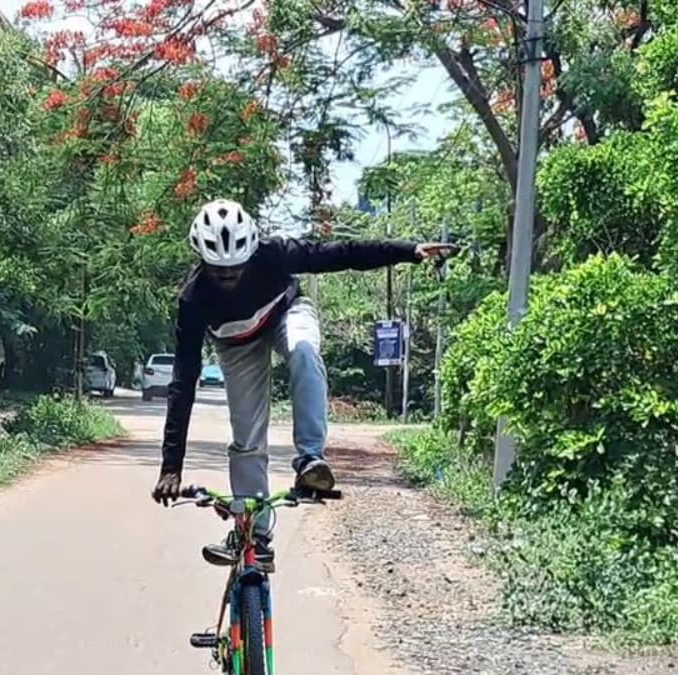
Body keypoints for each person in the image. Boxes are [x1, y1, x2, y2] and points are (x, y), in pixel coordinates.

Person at [150, 198, 456, 571]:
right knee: (246, 438)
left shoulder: (273, 254)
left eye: (237, 269)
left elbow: (341, 253)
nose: (228, 278)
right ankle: (254, 536)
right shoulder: (193, 299)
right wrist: (171, 467)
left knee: (305, 352)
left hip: (286, 313)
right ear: (203, 262)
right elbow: (183, 382)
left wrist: (408, 251)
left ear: (251, 252)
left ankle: (311, 459)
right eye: (219, 272)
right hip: (235, 343)